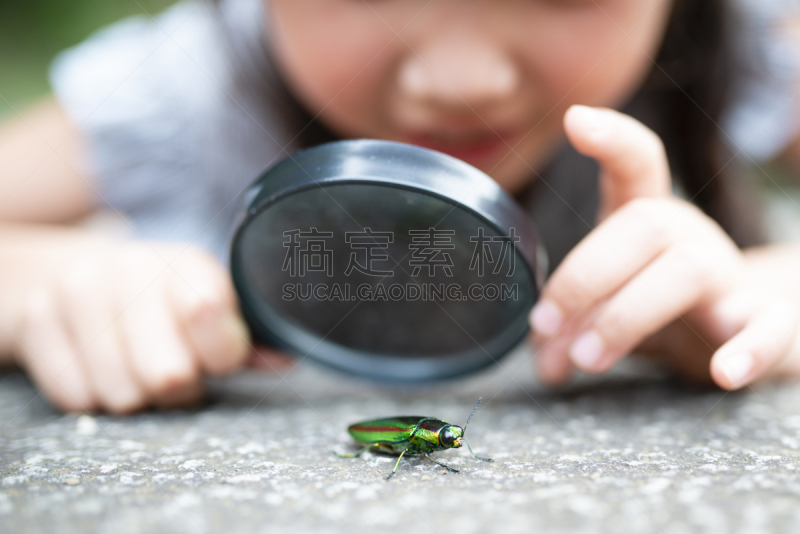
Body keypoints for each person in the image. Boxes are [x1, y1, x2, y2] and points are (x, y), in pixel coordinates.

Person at [1, 0, 799, 413]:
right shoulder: (188, 86)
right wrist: (44, 279)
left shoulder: (746, 42)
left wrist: (773, 289)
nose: (463, 81)